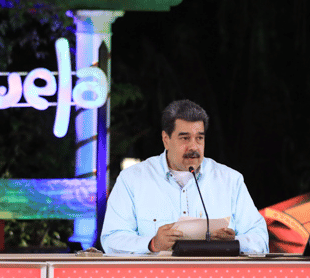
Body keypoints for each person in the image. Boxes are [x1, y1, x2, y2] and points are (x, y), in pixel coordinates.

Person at [100, 99, 268, 255]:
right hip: (157, 276)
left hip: (215, 275)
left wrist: (234, 242)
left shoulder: (230, 180)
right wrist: (152, 244)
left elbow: (260, 239)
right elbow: (111, 239)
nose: (193, 147)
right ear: (166, 140)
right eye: (185, 138)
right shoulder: (132, 179)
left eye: (199, 138)